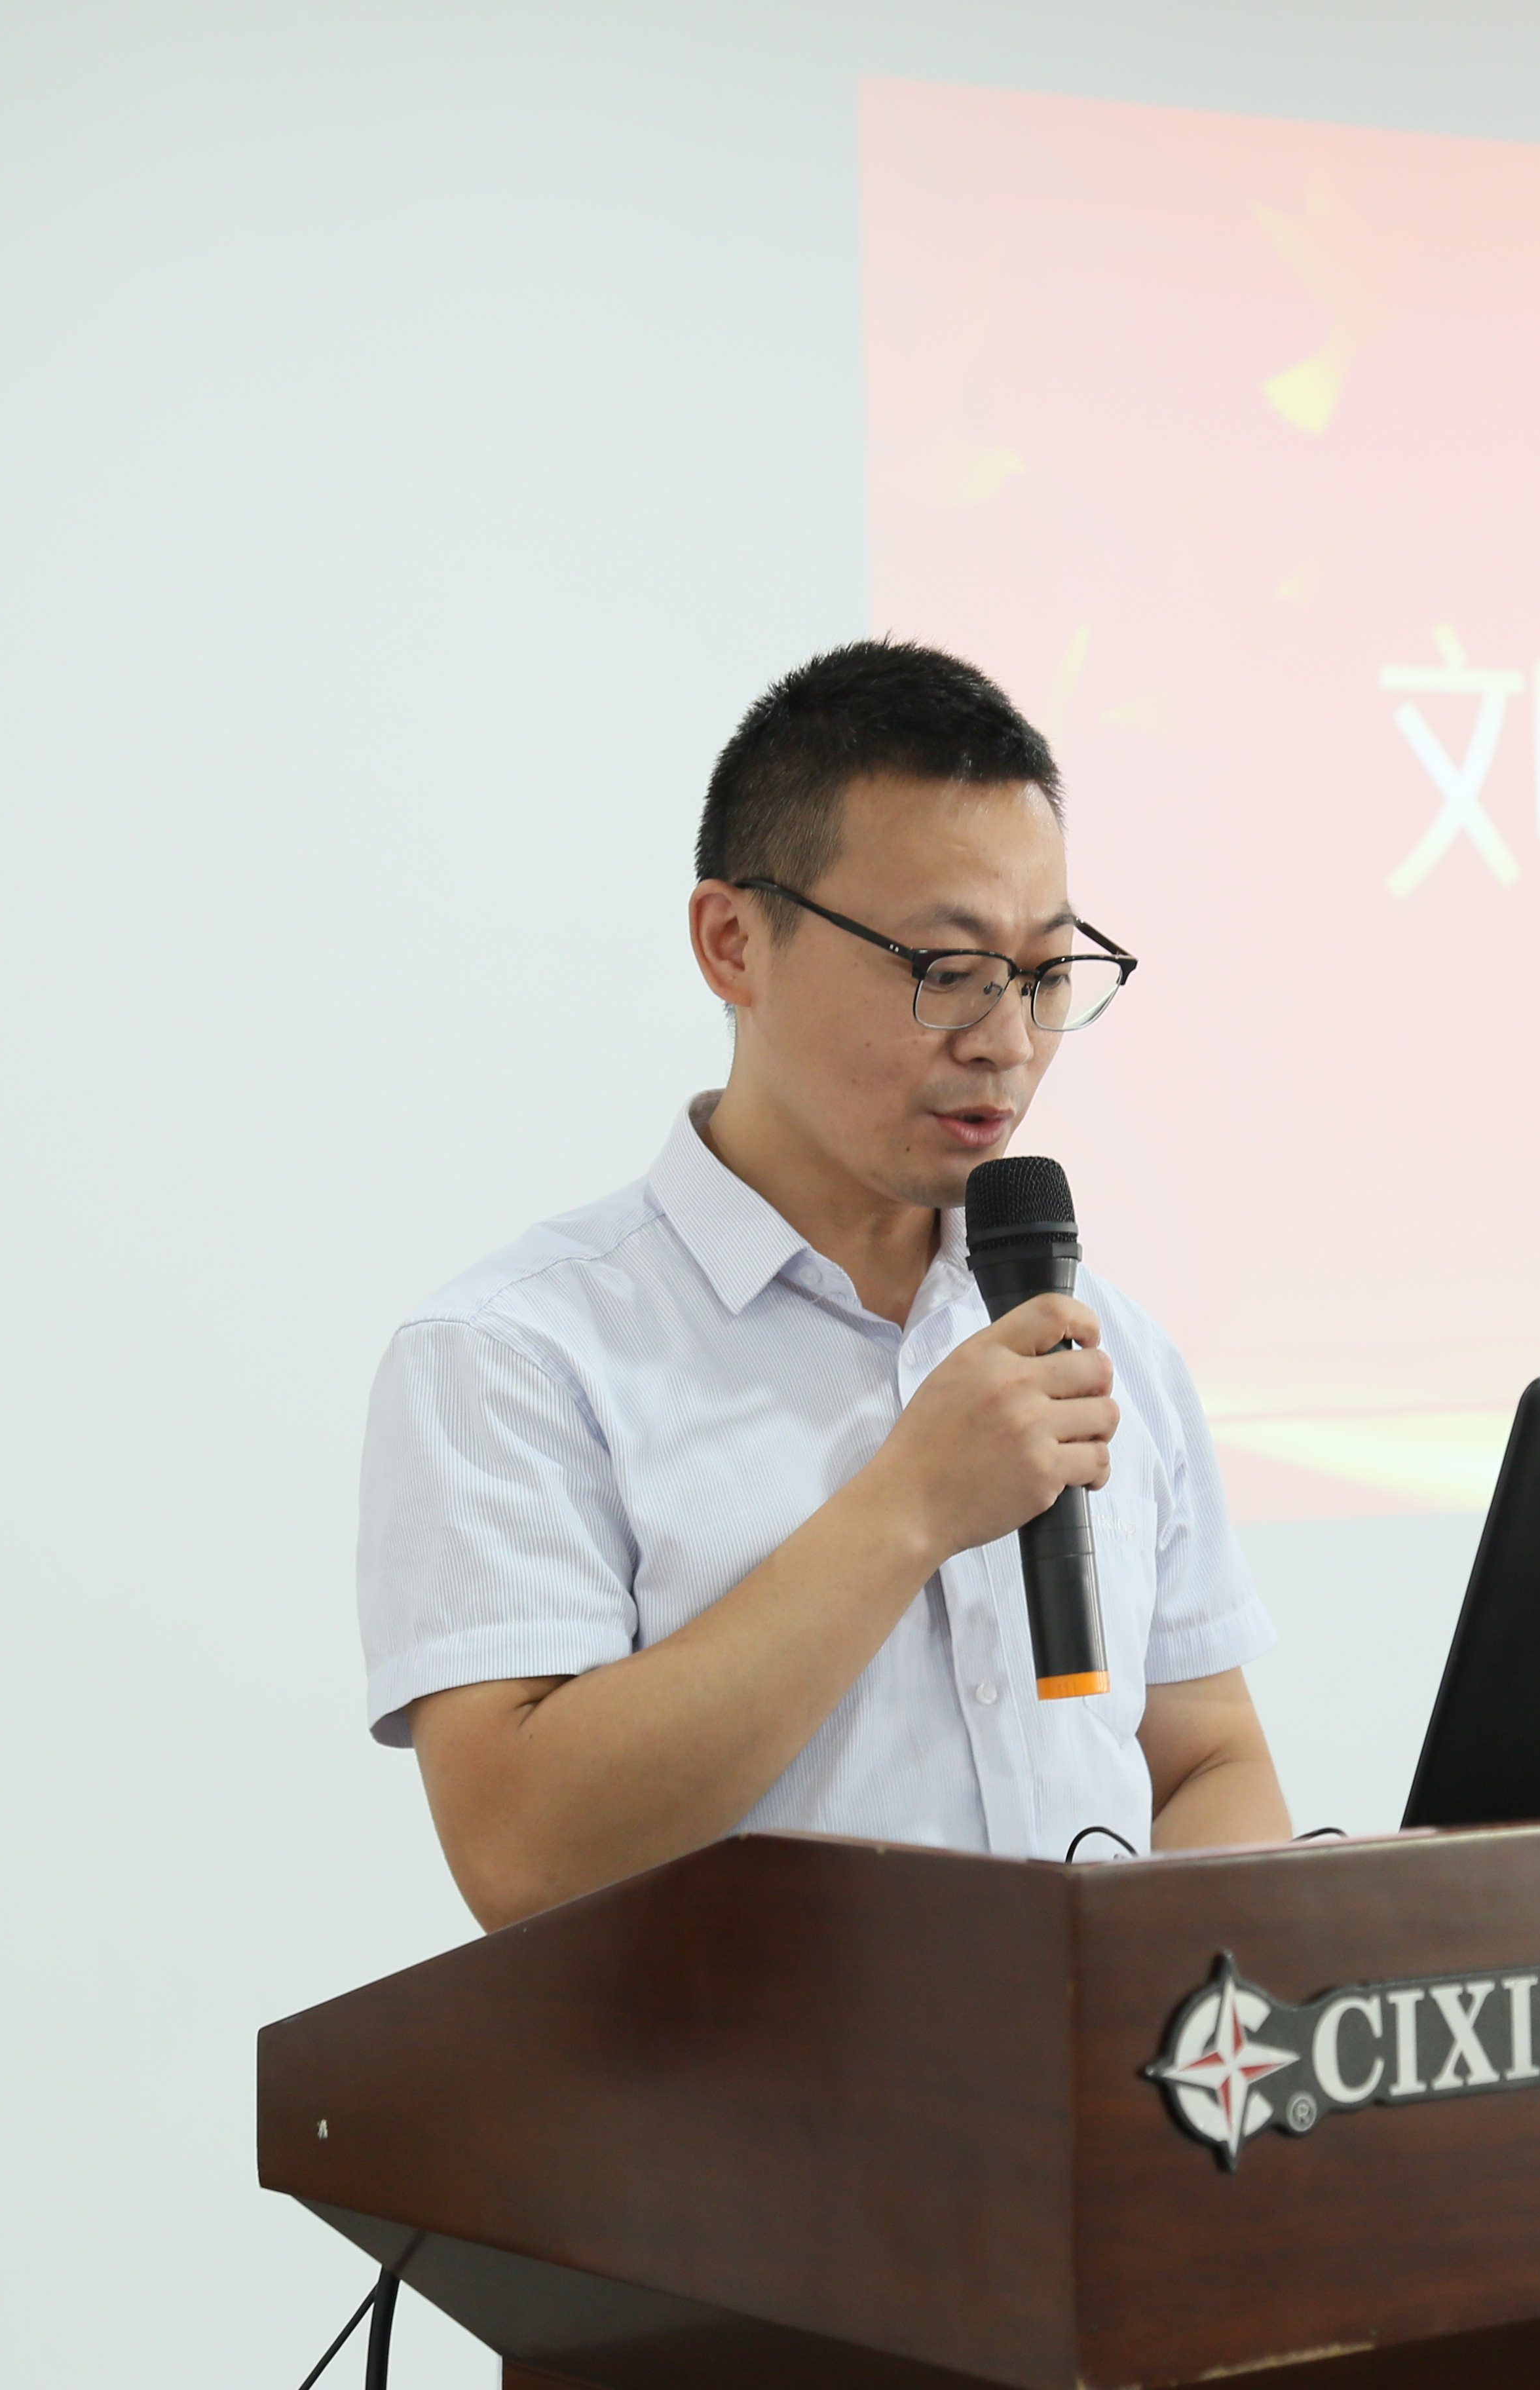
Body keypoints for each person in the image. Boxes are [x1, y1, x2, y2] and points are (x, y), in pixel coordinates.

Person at [357, 639, 1288, 1930]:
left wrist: (1170, 1987)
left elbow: (1204, 1762)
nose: (1007, 1042)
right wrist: (909, 1509)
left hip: (1092, 2066)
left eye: (1043, 975)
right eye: (946, 971)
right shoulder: (517, 1356)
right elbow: (524, 1855)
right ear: (734, 942)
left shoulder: (1102, 1337)